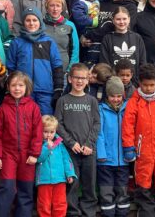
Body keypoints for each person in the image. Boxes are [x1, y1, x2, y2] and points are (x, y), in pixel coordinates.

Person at [121, 64, 155, 216]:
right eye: (145, 85)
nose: (149, 88)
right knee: (143, 181)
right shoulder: (134, 102)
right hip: (142, 150)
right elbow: (128, 126)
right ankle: (146, 211)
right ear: (140, 83)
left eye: (152, 85)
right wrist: (128, 147)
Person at [0, 72, 43, 217]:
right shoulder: (3, 108)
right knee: (6, 188)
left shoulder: (33, 107)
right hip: (8, 155)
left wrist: (34, 153)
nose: (17, 88)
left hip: (27, 156)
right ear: (8, 87)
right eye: (13, 85)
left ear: (27, 87)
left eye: (21, 85)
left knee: (25, 190)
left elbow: (38, 133)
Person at [55, 63, 101, 217]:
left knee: (89, 184)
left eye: (83, 78)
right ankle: (73, 212)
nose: (79, 81)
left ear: (88, 80)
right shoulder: (62, 101)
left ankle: (89, 212)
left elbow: (96, 123)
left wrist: (89, 144)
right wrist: (71, 143)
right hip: (70, 151)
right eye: (76, 78)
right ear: (70, 79)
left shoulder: (92, 100)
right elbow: (58, 124)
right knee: (72, 184)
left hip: (89, 151)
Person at [7, 7, 64, 115]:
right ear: (23, 23)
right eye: (28, 20)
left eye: (35, 20)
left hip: (45, 92)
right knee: (25, 123)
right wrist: (11, 87)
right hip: (23, 91)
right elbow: (10, 67)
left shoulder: (48, 41)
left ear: (40, 22)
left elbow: (57, 66)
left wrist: (58, 88)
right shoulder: (17, 42)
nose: (31, 23)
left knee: (45, 123)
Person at [96, 76, 131, 217]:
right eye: (112, 96)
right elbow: (99, 133)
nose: (116, 99)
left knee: (122, 191)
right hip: (106, 161)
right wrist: (101, 154)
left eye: (118, 96)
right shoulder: (101, 109)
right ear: (107, 95)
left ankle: (122, 214)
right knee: (106, 191)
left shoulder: (127, 108)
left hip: (123, 159)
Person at [36, 115, 77, 217]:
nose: (49, 135)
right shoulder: (38, 144)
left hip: (60, 179)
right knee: (44, 205)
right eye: (45, 132)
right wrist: (47, 147)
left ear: (55, 131)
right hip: (44, 180)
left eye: (51, 132)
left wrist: (70, 174)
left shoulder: (60, 145)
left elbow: (66, 160)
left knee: (60, 204)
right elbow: (39, 158)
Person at [100, 7, 146, 78]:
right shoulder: (107, 39)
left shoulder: (137, 38)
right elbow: (105, 65)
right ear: (113, 20)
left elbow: (142, 63)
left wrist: (137, 82)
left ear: (129, 19)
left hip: (134, 83)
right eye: (118, 19)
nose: (121, 22)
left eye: (124, 19)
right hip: (114, 82)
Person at [43, 0, 80, 73]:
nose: (55, 9)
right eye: (52, 5)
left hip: (64, 69)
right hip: (44, 69)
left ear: (62, 8)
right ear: (46, 7)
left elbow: (75, 49)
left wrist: (70, 69)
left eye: (58, 5)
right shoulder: (40, 25)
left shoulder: (70, 25)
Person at [72, 0, 101, 66]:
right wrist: (92, 22)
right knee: (85, 50)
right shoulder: (80, 2)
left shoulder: (96, 1)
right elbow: (79, 18)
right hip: (84, 30)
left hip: (95, 31)